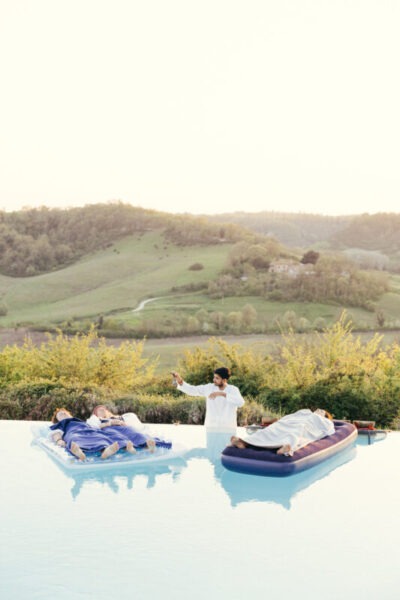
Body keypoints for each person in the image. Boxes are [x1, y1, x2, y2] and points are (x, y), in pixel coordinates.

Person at [230, 408, 335, 456]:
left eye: (322, 411)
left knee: (295, 433)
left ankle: (284, 449)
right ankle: (243, 442)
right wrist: (281, 421)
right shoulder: (305, 412)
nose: (319, 410)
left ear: (325, 416)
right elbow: (290, 416)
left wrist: (321, 420)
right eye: (319, 409)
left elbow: (329, 430)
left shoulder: (325, 421)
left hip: (301, 425)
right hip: (287, 424)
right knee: (270, 430)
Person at [50, 408, 138, 461]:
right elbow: (56, 433)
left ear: (70, 415)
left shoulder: (81, 421)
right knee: (75, 439)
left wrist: (110, 423)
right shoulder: (59, 424)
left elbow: (96, 426)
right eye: (60, 414)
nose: (63, 413)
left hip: (89, 430)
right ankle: (79, 453)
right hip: (74, 432)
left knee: (101, 437)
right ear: (57, 419)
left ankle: (105, 451)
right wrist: (59, 440)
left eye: (65, 412)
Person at [172, 367, 244, 429]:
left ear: (224, 380)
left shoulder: (233, 389)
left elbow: (241, 403)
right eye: (214, 377)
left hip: (228, 428)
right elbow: (192, 390)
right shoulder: (209, 388)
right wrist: (180, 381)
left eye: (217, 378)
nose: (214, 380)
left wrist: (222, 394)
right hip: (211, 427)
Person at [86, 405, 172, 451]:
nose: (102, 411)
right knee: (117, 437)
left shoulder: (119, 417)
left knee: (136, 434)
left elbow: (132, 424)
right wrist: (109, 423)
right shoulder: (98, 420)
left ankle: (148, 447)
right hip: (111, 429)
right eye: (99, 410)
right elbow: (95, 427)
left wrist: (121, 422)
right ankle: (129, 447)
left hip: (124, 428)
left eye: (103, 409)